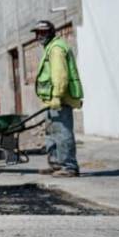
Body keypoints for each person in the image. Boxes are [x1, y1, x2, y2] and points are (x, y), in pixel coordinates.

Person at [33, 20, 83, 177]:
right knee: (51, 133)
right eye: (38, 33)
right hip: (51, 101)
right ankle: (56, 164)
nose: (40, 36)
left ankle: (69, 167)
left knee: (62, 133)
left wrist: (56, 96)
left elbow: (60, 76)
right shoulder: (50, 48)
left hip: (60, 100)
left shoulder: (56, 49)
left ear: (51, 32)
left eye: (43, 32)